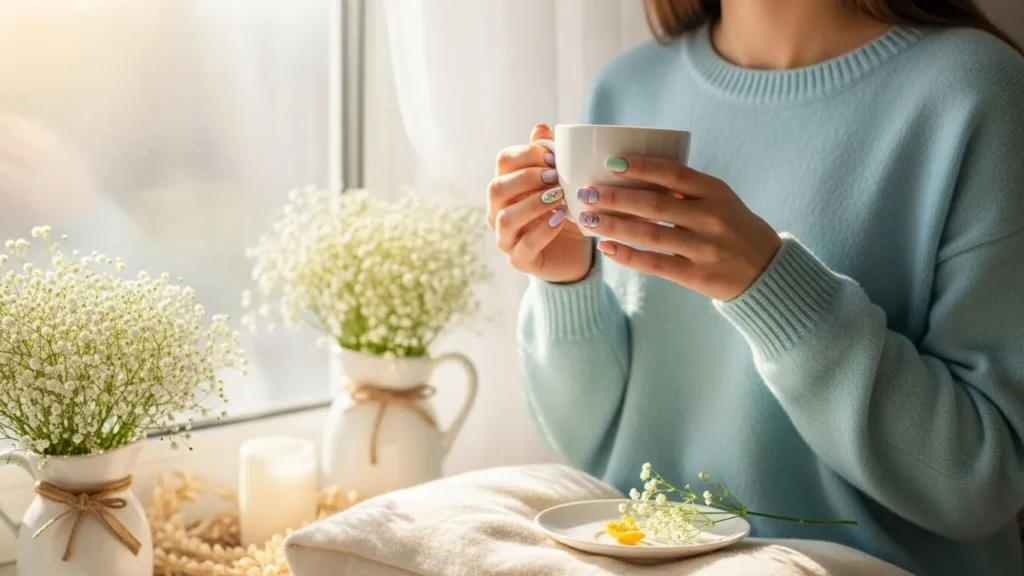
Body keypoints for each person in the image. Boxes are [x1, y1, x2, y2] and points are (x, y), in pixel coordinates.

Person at [486, 1, 1024, 574]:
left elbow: (984, 484)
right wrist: (566, 282)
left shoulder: (978, 90)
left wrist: (769, 286)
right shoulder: (629, 87)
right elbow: (586, 443)